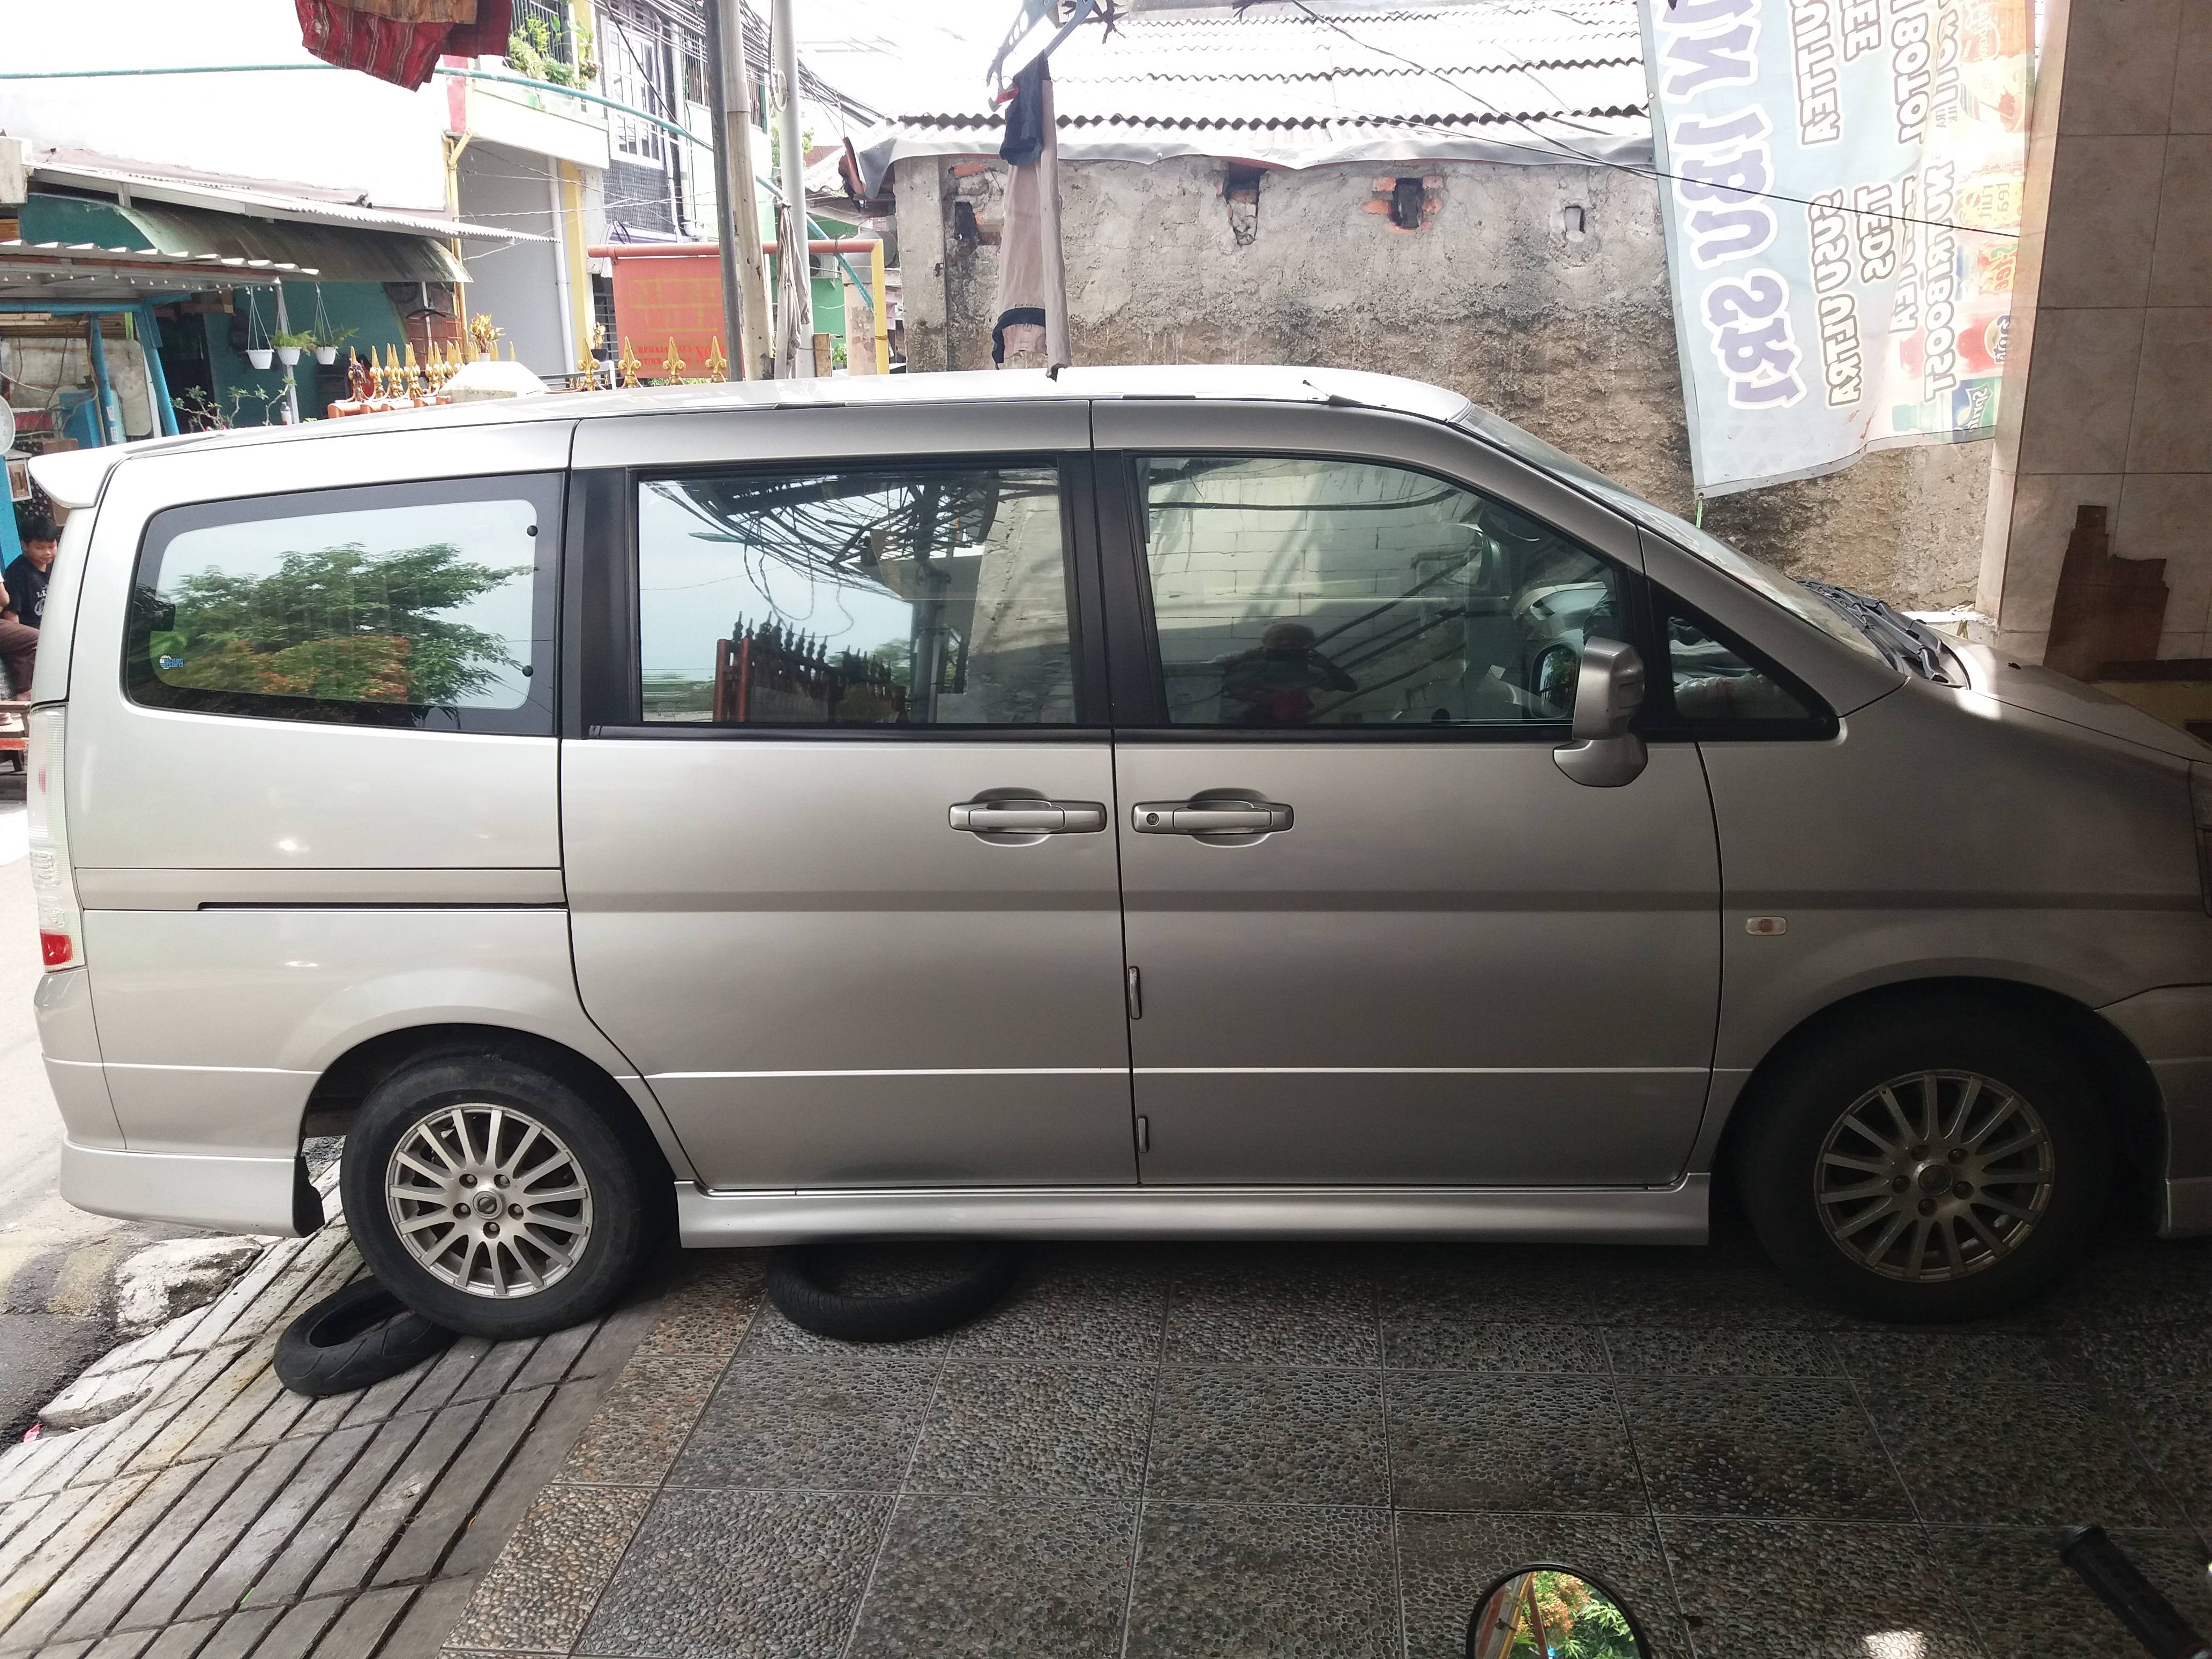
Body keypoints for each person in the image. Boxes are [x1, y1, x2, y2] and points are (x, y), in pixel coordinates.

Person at [1218, 619, 1357, 726]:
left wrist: (1328, 666)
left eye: (1296, 640)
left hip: (1286, 726)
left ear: (1308, 644)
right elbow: (1206, 674)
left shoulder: (1311, 667)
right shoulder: (1236, 658)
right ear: (1265, 642)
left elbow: (1349, 687)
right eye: (1279, 639)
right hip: (1229, 725)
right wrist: (1241, 660)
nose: (1287, 643)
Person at [0, 514, 53, 696]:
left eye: (51, 547)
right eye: (40, 548)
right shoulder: (17, 573)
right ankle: (25, 692)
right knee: (32, 641)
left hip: (52, 627)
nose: (47, 553)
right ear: (24, 545)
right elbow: (9, 610)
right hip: (29, 628)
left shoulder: (58, 566)